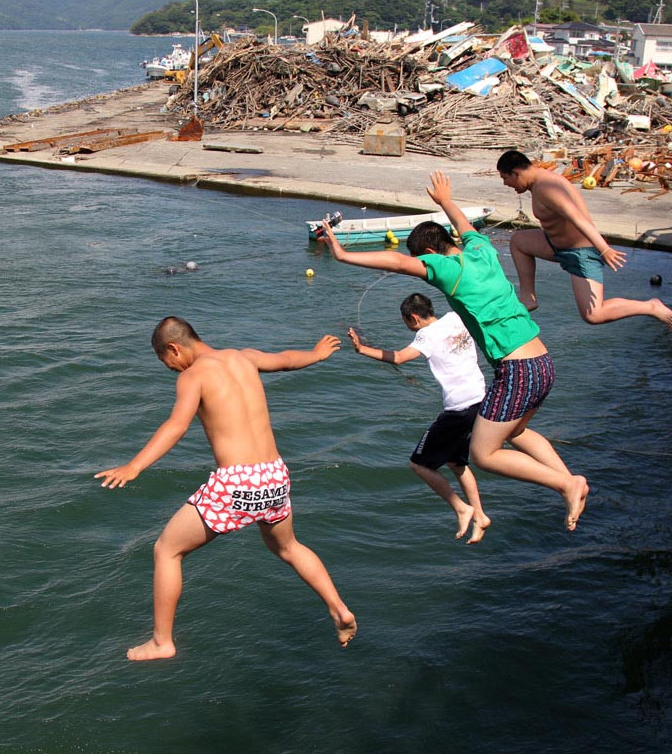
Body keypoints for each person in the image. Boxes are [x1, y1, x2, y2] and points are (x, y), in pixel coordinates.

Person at [319, 172, 590, 532]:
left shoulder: (449, 270)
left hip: (517, 370)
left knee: (483, 455)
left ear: (429, 254)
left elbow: (399, 262)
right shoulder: (482, 250)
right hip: (542, 362)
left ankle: (567, 484)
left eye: (423, 263)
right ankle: (568, 482)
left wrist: (342, 254)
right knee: (517, 432)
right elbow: (465, 227)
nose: (424, 269)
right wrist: (446, 201)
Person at [95, 317, 357, 661]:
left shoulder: (194, 376)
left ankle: (162, 641)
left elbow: (175, 425)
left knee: (166, 551)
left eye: (165, 361)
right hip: (275, 475)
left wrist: (135, 466)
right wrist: (317, 354)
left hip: (237, 481)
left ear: (174, 348)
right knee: (289, 547)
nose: (170, 369)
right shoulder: (244, 357)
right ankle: (338, 609)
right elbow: (286, 360)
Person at [347, 292, 490, 543]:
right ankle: (480, 515)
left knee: (419, 464)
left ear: (413, 318)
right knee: (457, 463)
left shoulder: (425, 335)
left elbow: (399, 357)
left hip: (459, 409)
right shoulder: (457, 318)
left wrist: (361, 349)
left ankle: (461, 507)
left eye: (406, 322)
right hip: (481, 400)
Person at [497, 150, 672, 329]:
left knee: (594, 315)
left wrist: (604, 249)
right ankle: (528, 297)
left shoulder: (546, 186)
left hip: (581, 253)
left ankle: (650, 306)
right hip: (557, 245)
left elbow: (577, 217)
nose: (505, 184)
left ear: (516, 173)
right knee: (519, 241)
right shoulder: (538, 183)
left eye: (505, 178)